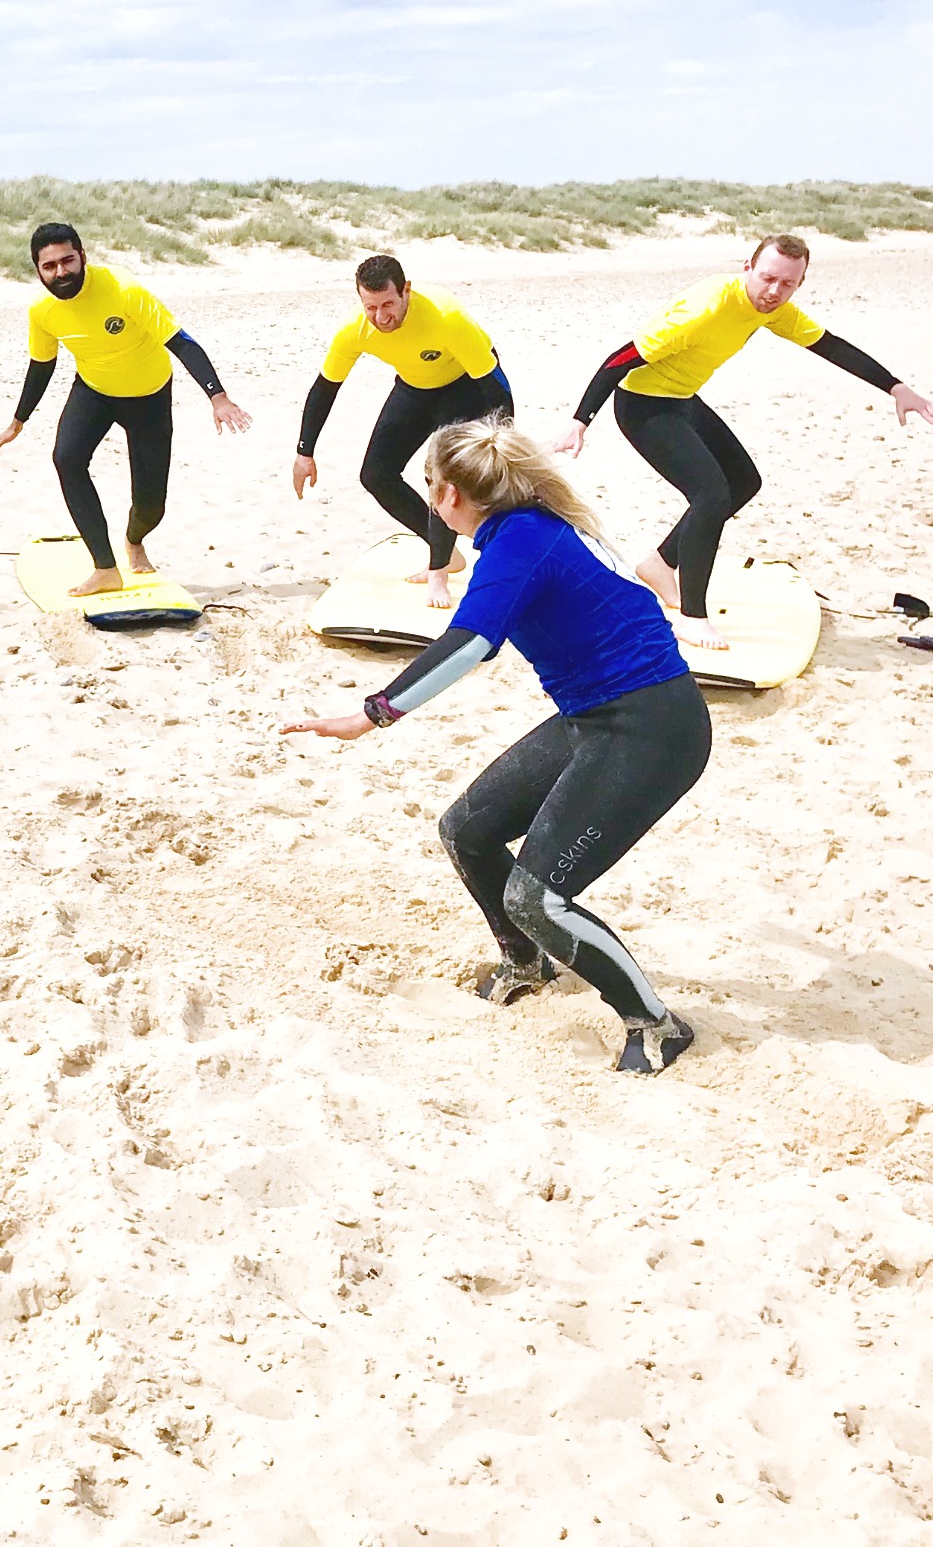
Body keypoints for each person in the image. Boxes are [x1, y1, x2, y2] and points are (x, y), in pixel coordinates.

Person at [282, 415, 705, 1075]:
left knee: (537, 898)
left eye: (428, 486)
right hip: (594, 718)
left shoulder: (520, 543)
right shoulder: (520, 529)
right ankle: (527, 962)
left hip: (654, 728)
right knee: (467, 830)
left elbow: (472, 644)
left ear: (450, 495)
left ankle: (655, 1024)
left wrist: (372, 714)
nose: (427, 498)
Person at [557, 234, 933, 649]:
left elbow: (828, 345)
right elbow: (622, 358)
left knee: (743, 482)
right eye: (768, 278)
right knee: (709, 495)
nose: (774, 292)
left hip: (682, 399)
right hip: (643, 406)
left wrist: (895, 387)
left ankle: (659, 563)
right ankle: (692, 617)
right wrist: (581, 420)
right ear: (748, 267)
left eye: (787, 284)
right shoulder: (706, 309)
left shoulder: (771, 308)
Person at [0, 223, 251, 594]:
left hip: (149, 397)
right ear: (37, 270)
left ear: (83, 257)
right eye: (50, 266)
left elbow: (182, 342)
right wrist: (18, 421)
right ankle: (105, 568)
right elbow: (42, 364)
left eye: (68, 261)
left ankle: (134, 540)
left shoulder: (123, 289)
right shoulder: (42, 310)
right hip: (94, 391)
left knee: (150, 506)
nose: (61, 272)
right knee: (67, 458)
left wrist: (217, 397)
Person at [292, 253, 514, 609]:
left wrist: (504, 436)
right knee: (376, 475)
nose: (381, 317)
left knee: (438, 476)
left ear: (406, 290)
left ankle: (438, 572)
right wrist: (305, 451)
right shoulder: (355, 330)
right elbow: (325, 387)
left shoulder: (446, 318)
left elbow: (496, 385)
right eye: (370, 307)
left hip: (466, 388)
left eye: (388, 305)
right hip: (414, 388)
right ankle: (444, 551)